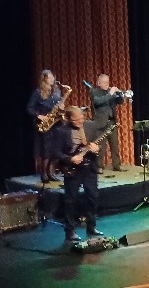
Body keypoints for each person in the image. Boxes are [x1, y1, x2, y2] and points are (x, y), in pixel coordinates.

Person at [51, 106, 102, 243]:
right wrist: (70, 159)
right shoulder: (61, 131)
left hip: (89, 167)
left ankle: (91, 227)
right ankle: (70, 231)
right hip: (72, 169)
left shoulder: (90, 126)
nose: (80, 121)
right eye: (76, 120)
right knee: (70, 200)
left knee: (92, 196)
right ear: (68, 119)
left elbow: (99, 144)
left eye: (82, 118)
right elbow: (55, 152)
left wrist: (97, 149)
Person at [26, 69, 65, 183]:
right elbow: (29, 108)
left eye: (53, 77)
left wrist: (62, 107)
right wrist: (39, 116)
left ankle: (52, 172)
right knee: (46, 150)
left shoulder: (57, 92)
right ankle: (44, 173)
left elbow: (59, 106)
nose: (53, 79)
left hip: (56, 123)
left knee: (56, 150)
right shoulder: (38, 92)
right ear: (44, 79)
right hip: (45, 124)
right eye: (50, 77)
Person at [89, 73, 127, 173]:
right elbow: (97, 102)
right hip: (100, 122)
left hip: (112, 122)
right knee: (101, 146)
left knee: (114, 145)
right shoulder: (94, 91)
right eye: (105, 82)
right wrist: (110, 94)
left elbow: (120, 101)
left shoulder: (110, 92)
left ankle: (117, 165)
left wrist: (119, 94)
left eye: (108, 82)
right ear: (99, 83)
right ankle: (99, 166)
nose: (107, 84)